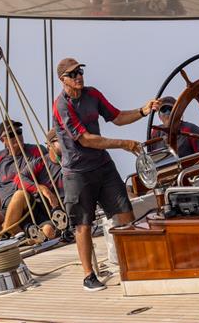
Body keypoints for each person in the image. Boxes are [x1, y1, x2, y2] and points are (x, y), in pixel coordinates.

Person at [52, 57, 158, 291]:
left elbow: (118, 117)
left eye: (80, 71)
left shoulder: (93, 95)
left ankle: (134, 264)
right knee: (83, 224)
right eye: (73, 74)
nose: (79, 76)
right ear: (63, 80)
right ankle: (89, 276)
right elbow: (86, 140)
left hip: (103, 166)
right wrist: (124, 144)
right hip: (78, 173)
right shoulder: (61, 105)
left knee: (124, 212)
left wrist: (143, 110)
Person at [0, 120, 63, 245]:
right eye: (11, 134)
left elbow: (49, 168)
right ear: (2, 139)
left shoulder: (36, 151)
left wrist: (44, 191)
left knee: (21, 194)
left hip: (30, 206)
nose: (16, 136)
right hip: (7, 209)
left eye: (19, 132)